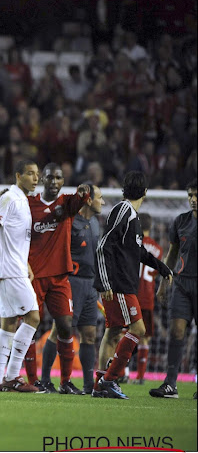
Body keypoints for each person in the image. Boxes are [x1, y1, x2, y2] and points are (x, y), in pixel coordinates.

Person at [93, 171, 172, 399]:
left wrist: (161, 266)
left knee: (113, 332)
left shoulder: (132, 217)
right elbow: (103, 245)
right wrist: (105, 282)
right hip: (118, 285)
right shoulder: (123, 211)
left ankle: (100, 384)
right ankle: (109, 379)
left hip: (122, 284)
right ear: (145, 192)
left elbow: (138, 252)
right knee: (138, 329)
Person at [25, 163, 91, 394]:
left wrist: (84, 192)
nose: (54, 182)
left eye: (58, 178)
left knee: (65, 326)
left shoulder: (66, 203)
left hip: (60, 278)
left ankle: (65, 382)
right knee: (29, 328)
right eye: (50, 177)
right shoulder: (29, 205)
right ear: (43, 179)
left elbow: (82, 198)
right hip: (33, 276)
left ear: (63, 181)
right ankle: (33, 381)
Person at [0, 159, 41, 392]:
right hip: (9, 271)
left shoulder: (23, 201)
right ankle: (14, 375)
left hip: (16, 267)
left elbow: (13, 238)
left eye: (37, 174)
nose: (36, 178)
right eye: (30, 173)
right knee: (33, 317)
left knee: (8, 323)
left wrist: (26, 262)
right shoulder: (9, 198)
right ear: (18, 176)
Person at [44, 186, 105, 395]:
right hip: (71, 282)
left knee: (89, 334)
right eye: (100, 198)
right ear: (88, 201)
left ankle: (89, 385)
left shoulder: (95, 223)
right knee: (60, 330)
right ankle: (45, 381)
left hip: (90, 285)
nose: (103, 202)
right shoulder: (69, 222)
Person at [150, 179, 197, 399]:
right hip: (181, 283)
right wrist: (163, 282)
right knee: (177, 331)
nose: (193, 200)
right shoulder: (181, 221)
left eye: (196, 195)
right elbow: (172, 253)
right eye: (190, 195)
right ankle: (170, 384)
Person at [133, 213, 162, 384]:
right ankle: (141, 376)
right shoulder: (158, 248)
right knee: (145, 337)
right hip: (148, 298)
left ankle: (123, 371)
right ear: (150, 226)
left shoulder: (134, 244)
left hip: (132, 294)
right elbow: (156, 271)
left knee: (124, 333)